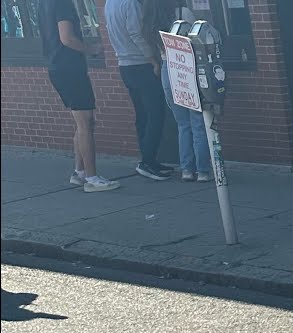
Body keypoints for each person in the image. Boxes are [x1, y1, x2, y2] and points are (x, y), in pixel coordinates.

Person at [38, 0, 120, 193]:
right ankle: (92, 177)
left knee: (83, 122)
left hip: (58, 67)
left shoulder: (44, 4)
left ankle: (80, 171)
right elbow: (67, 38)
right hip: (69, 68)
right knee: (85, 123)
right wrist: (91, 49)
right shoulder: (62, 4)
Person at [105, 0, 173, 180]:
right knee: (155, 113)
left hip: (125, 65)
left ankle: (148, 158)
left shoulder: (109, 4)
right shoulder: (130, 4)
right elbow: (136, 33)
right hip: (141, 63)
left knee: (142, 114)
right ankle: (148, 162)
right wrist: (152, 59)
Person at [149, 0, 211, 182]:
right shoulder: (183, 13)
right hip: (186, 67)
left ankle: (187, 169)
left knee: (183, 124)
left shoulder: (152, 19)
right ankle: (203, 170)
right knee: (198, 121)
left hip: (167, 67)